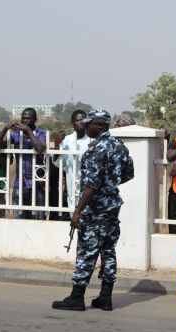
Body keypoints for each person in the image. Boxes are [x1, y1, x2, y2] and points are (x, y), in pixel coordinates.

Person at [52, 109, 131, 312]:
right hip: (112, 205)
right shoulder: (118, 146)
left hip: (95, 208)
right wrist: (110, 185)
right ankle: (105, 297)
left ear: (101, 126)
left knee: (87, 252)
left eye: (90, 124)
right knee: (108, 251)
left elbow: (91, 185)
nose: (86, 127)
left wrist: (78, 210)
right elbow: (128, 173)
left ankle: (77, 297)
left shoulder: (97, 149)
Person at [0, 107, 47, 220]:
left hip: (37, 183)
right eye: (23, 118)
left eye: (28, 118)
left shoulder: (41, 133)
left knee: (39, 219)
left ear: (35, 119)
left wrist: (28, 131)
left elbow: (40, 148)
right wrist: (5, 129)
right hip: (19, 183)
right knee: (19, 219)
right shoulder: (15, 134)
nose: (25, 121)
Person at [52, 109, 91, 209]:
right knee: (73, 212)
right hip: (72, 183)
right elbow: (58, 164)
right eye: (77, 121)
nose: (80, 123)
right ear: (72, 123)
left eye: (83, 121)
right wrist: (57, 145)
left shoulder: (92, 140)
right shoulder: (66, 141)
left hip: (88, 184)